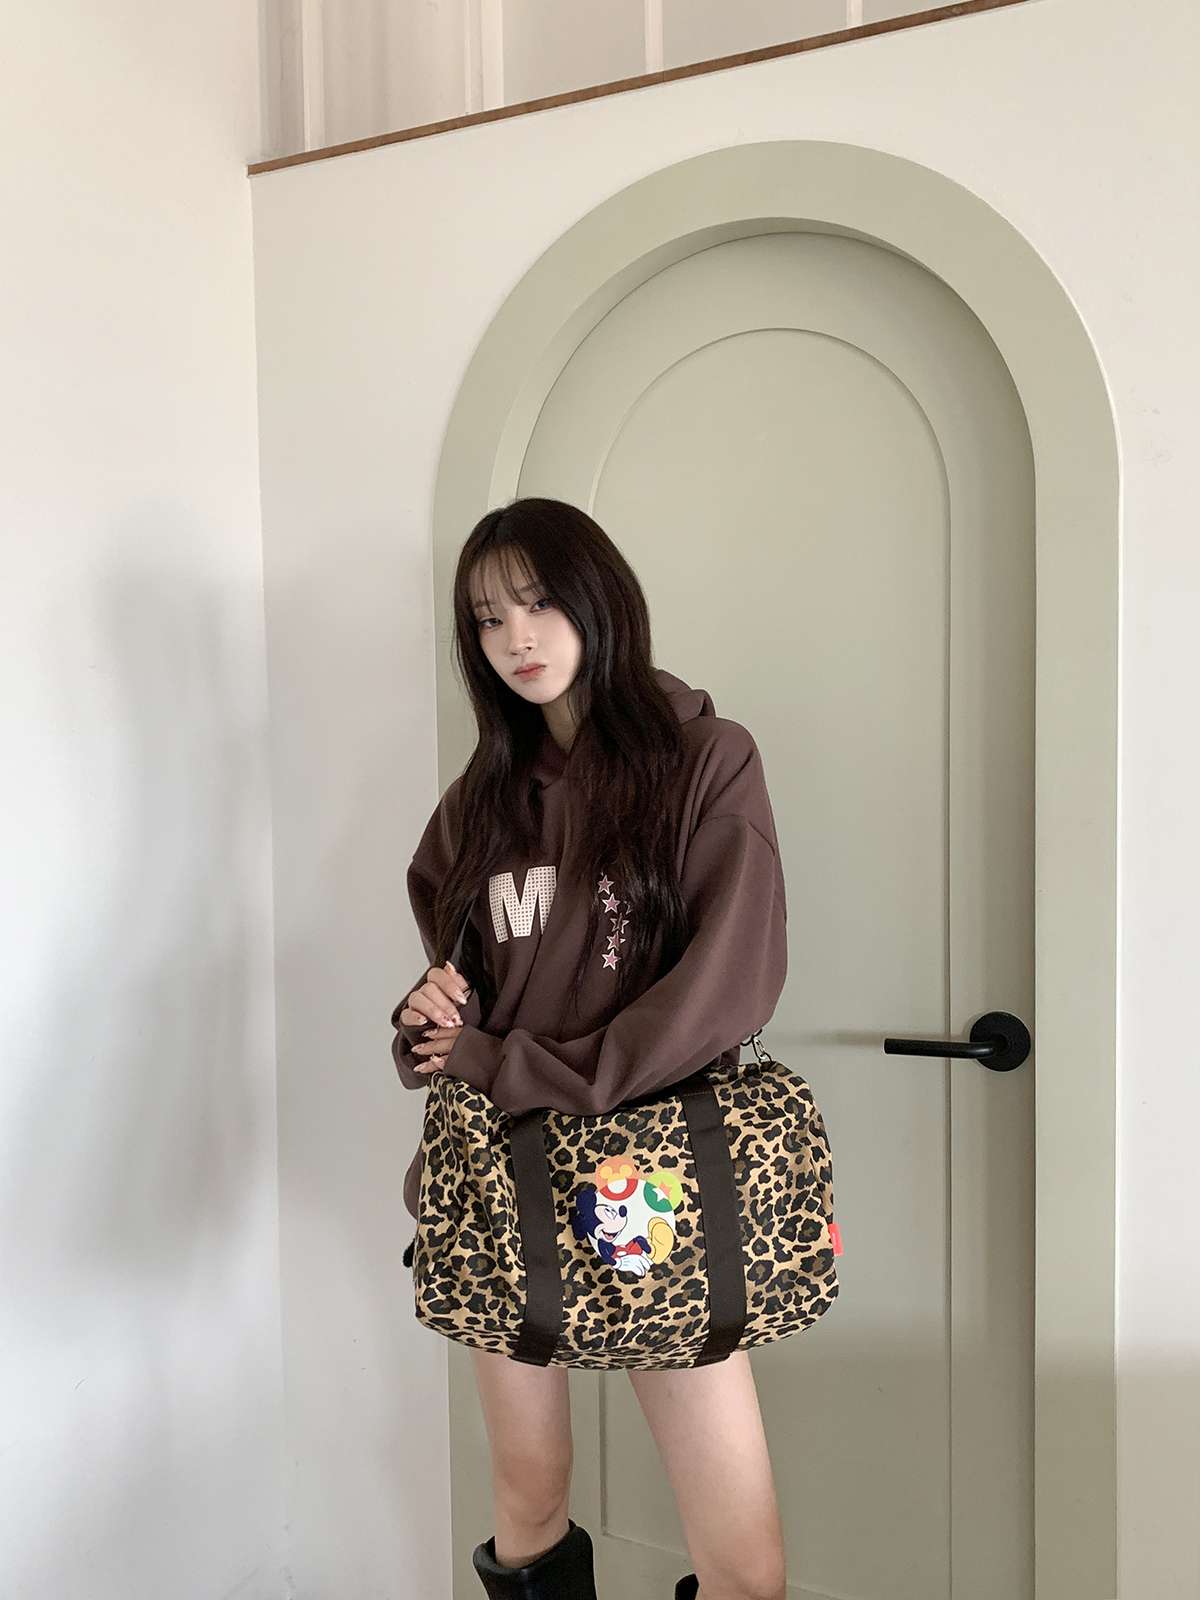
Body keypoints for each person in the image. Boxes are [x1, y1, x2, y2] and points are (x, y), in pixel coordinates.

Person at [390, 497, 789, 1600]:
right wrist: (427, 1020)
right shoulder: (476, 807)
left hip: (650, 1183)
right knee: (527, 1500)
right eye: (486, 618)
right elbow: (465, 1006)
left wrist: (508, 1064)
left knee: (742, 1558)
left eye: (539, 601)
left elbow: (723, 992)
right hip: (501, 1177)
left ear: (599, 597)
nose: (515, 637)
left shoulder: (704, 762)